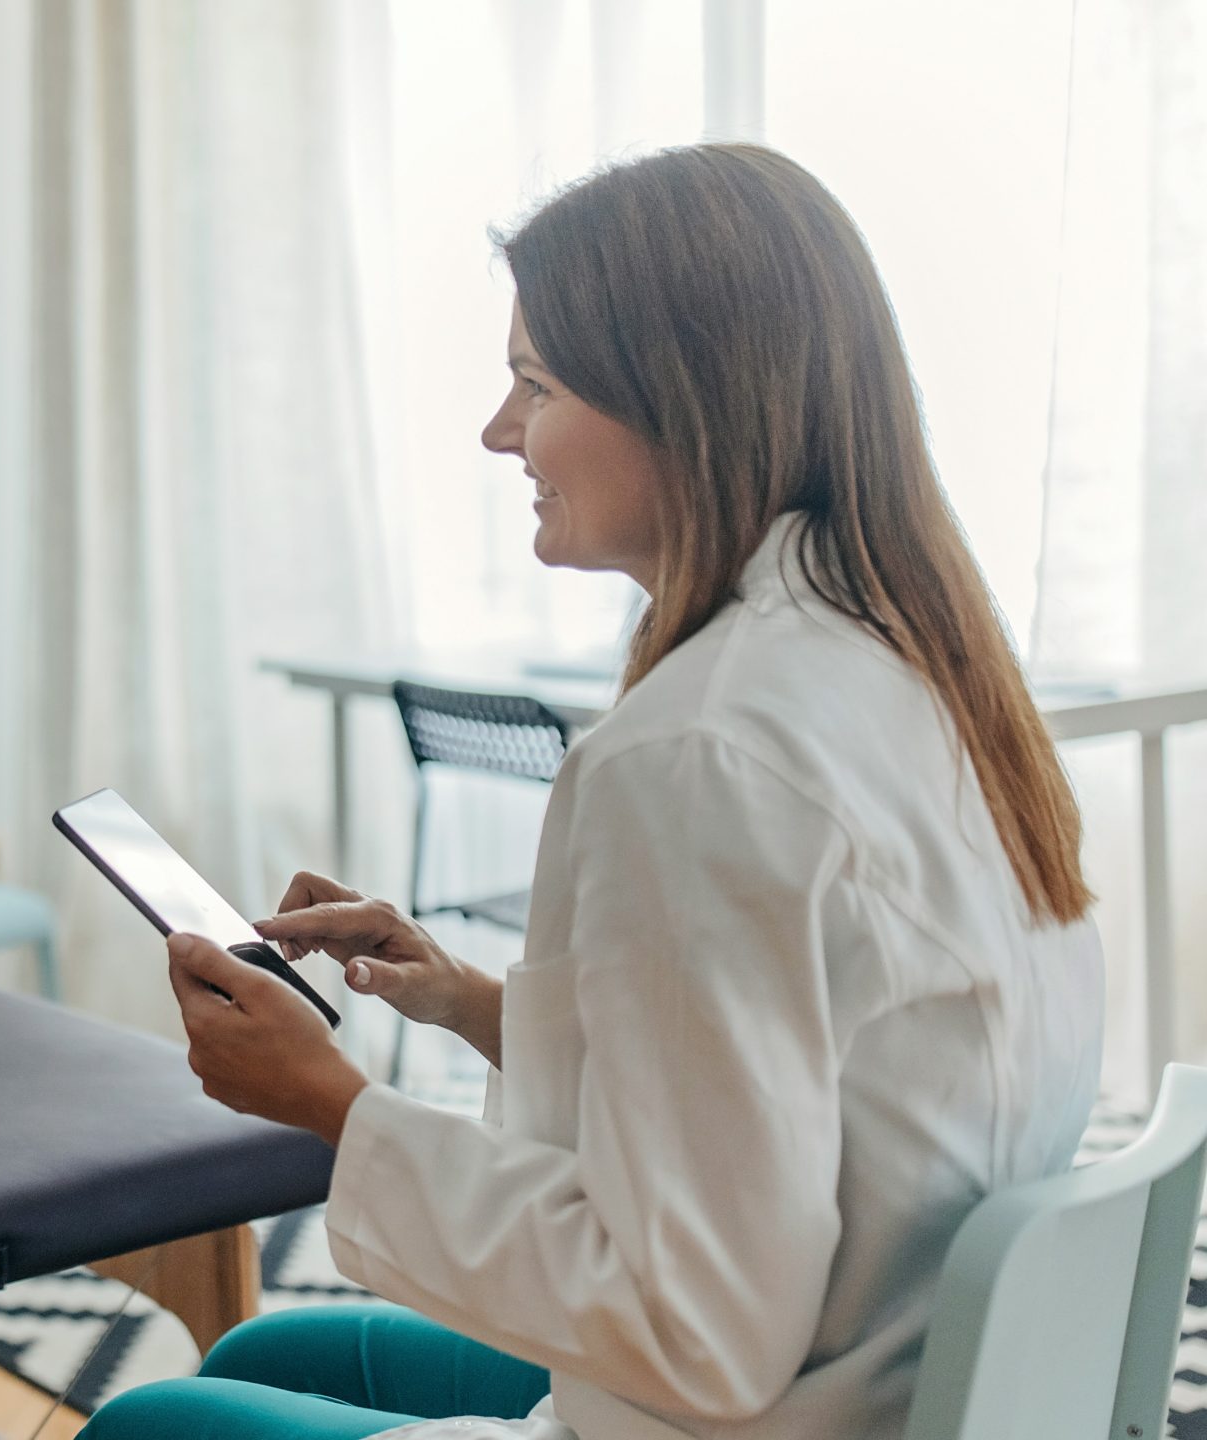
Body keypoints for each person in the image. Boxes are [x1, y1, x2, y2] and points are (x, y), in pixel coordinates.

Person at [81, 143, 1105, 1439]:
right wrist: (469, 1004)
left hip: (766, 1405)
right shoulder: (920, 665)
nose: (498, 431)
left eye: (536, 384)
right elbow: (793, 1069)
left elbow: (698, 1330)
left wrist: (331, 1104)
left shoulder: (698, 755)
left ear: (684, 406)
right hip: (885, 1363)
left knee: (146, 1425)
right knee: (272, 1352)